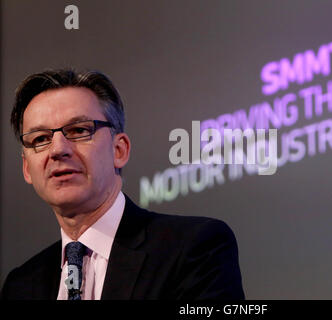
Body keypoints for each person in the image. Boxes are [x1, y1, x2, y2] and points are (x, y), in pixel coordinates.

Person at [1, 69, 245, 300]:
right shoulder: (21, 285)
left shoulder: (194, 248)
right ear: (26, 168)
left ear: (119, 150)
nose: (58, 149)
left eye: (78, 130)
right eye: (40, 139)